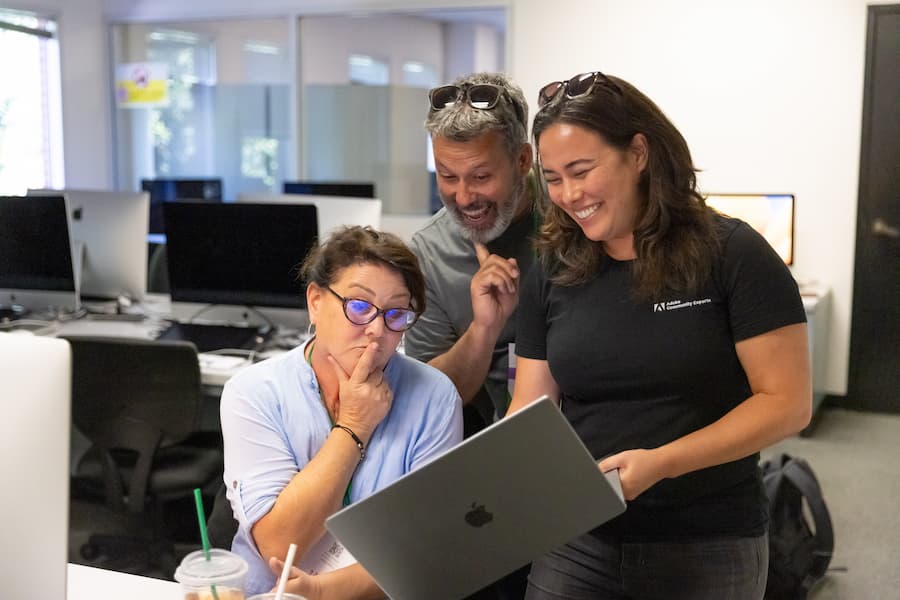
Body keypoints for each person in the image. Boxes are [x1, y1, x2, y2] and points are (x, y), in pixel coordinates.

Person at [509, 71, 812, 599]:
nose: (569, 195)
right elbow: (530, 407)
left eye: (582, 171)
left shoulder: (732, 253)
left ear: (638, 154)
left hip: (707, 537)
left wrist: (663, 462)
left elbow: (787, 404)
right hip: (579, 536)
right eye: (553, 178)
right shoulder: (553, 268)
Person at [220, 226, 463, 598]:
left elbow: (425, 550)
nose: (377, 330)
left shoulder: (434, 397)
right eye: (360, 307)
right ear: (316, 302)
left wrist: (323, 591)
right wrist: (353, 426)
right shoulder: (255, 392)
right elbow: (280, 547)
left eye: (396, 314)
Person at [406, 72, 539, 437]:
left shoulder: (573, 216)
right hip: (498, 443)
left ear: (522, 160)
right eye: (448, 176)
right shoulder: (431, 252)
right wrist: (484, 329)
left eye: (481, 177)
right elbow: (428, 400)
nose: (464, 198)